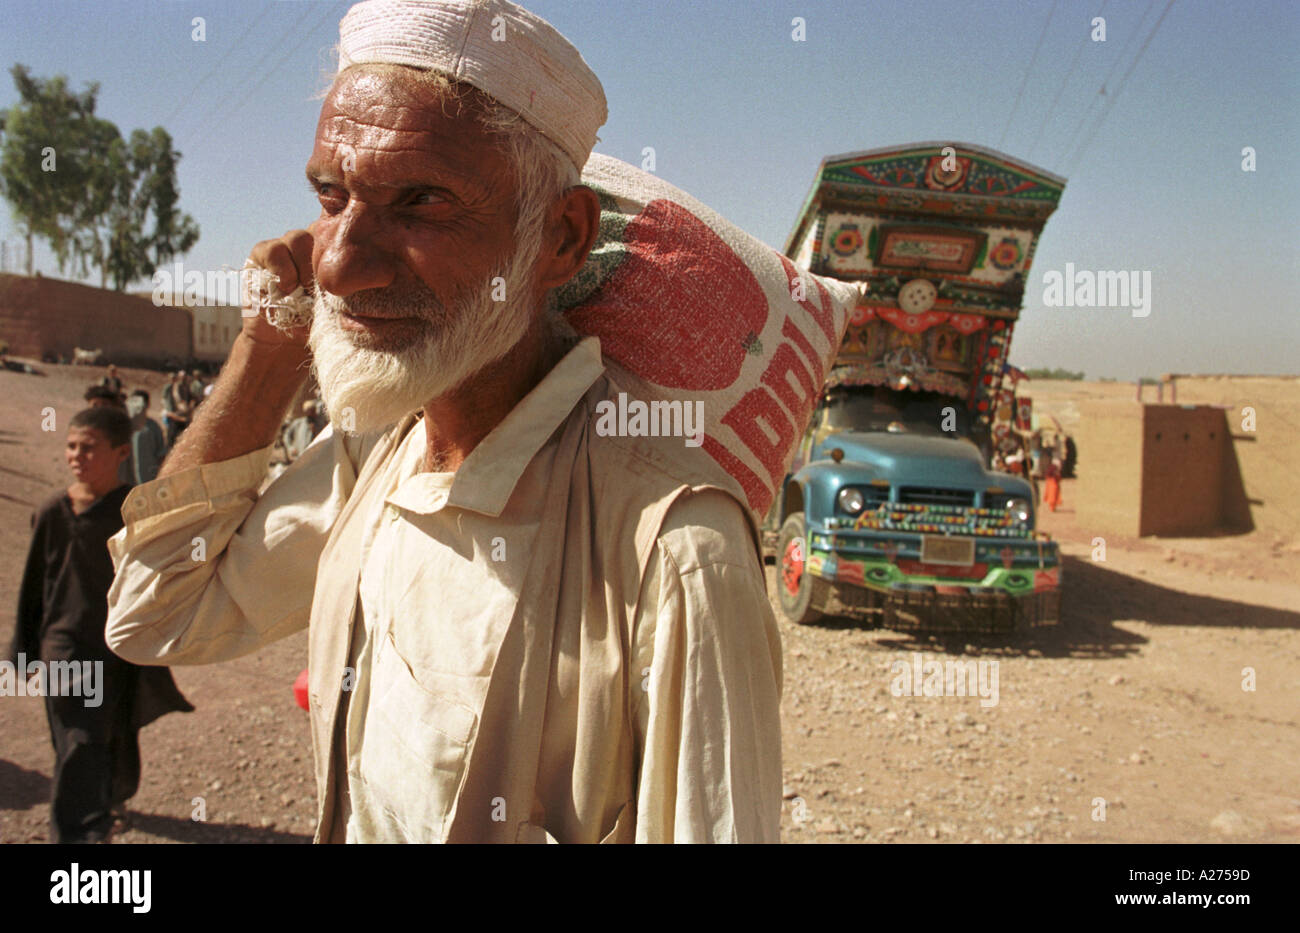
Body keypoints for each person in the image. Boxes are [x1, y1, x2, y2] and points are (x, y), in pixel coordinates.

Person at [106, 0, 782, 844]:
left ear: (561, 238)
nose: (343, 265)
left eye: (418, 202)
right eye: (331, 194)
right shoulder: (377, 454)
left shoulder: (672, 550)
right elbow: (155, 612)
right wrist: (268, 352)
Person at [10, 407, 192, 843]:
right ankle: (77, 836)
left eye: (88, 447)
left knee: (109, 737)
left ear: (119, 453)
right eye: (71, 446)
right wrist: (21, 652)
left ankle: (104, 803)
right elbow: (34, 586)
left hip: (118, 650)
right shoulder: (53, 510)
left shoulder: (135, 513)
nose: (76, 455)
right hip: (65, 650)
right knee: (77, 742)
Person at [83, 386, 133, 487]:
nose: (99, 410)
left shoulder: (120, 434)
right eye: (95, 405)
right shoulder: (81, 432)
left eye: (104, 405)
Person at [126, 390, 167, 485]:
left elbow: (161, 454)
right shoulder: (124, 426)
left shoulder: (153, 427)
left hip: (149, 477)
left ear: (147, 405)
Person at [161, 372, 190, 447]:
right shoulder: (170, 387)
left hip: (178, 412)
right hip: (172, 410)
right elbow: (165, 399)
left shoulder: (183, 386)